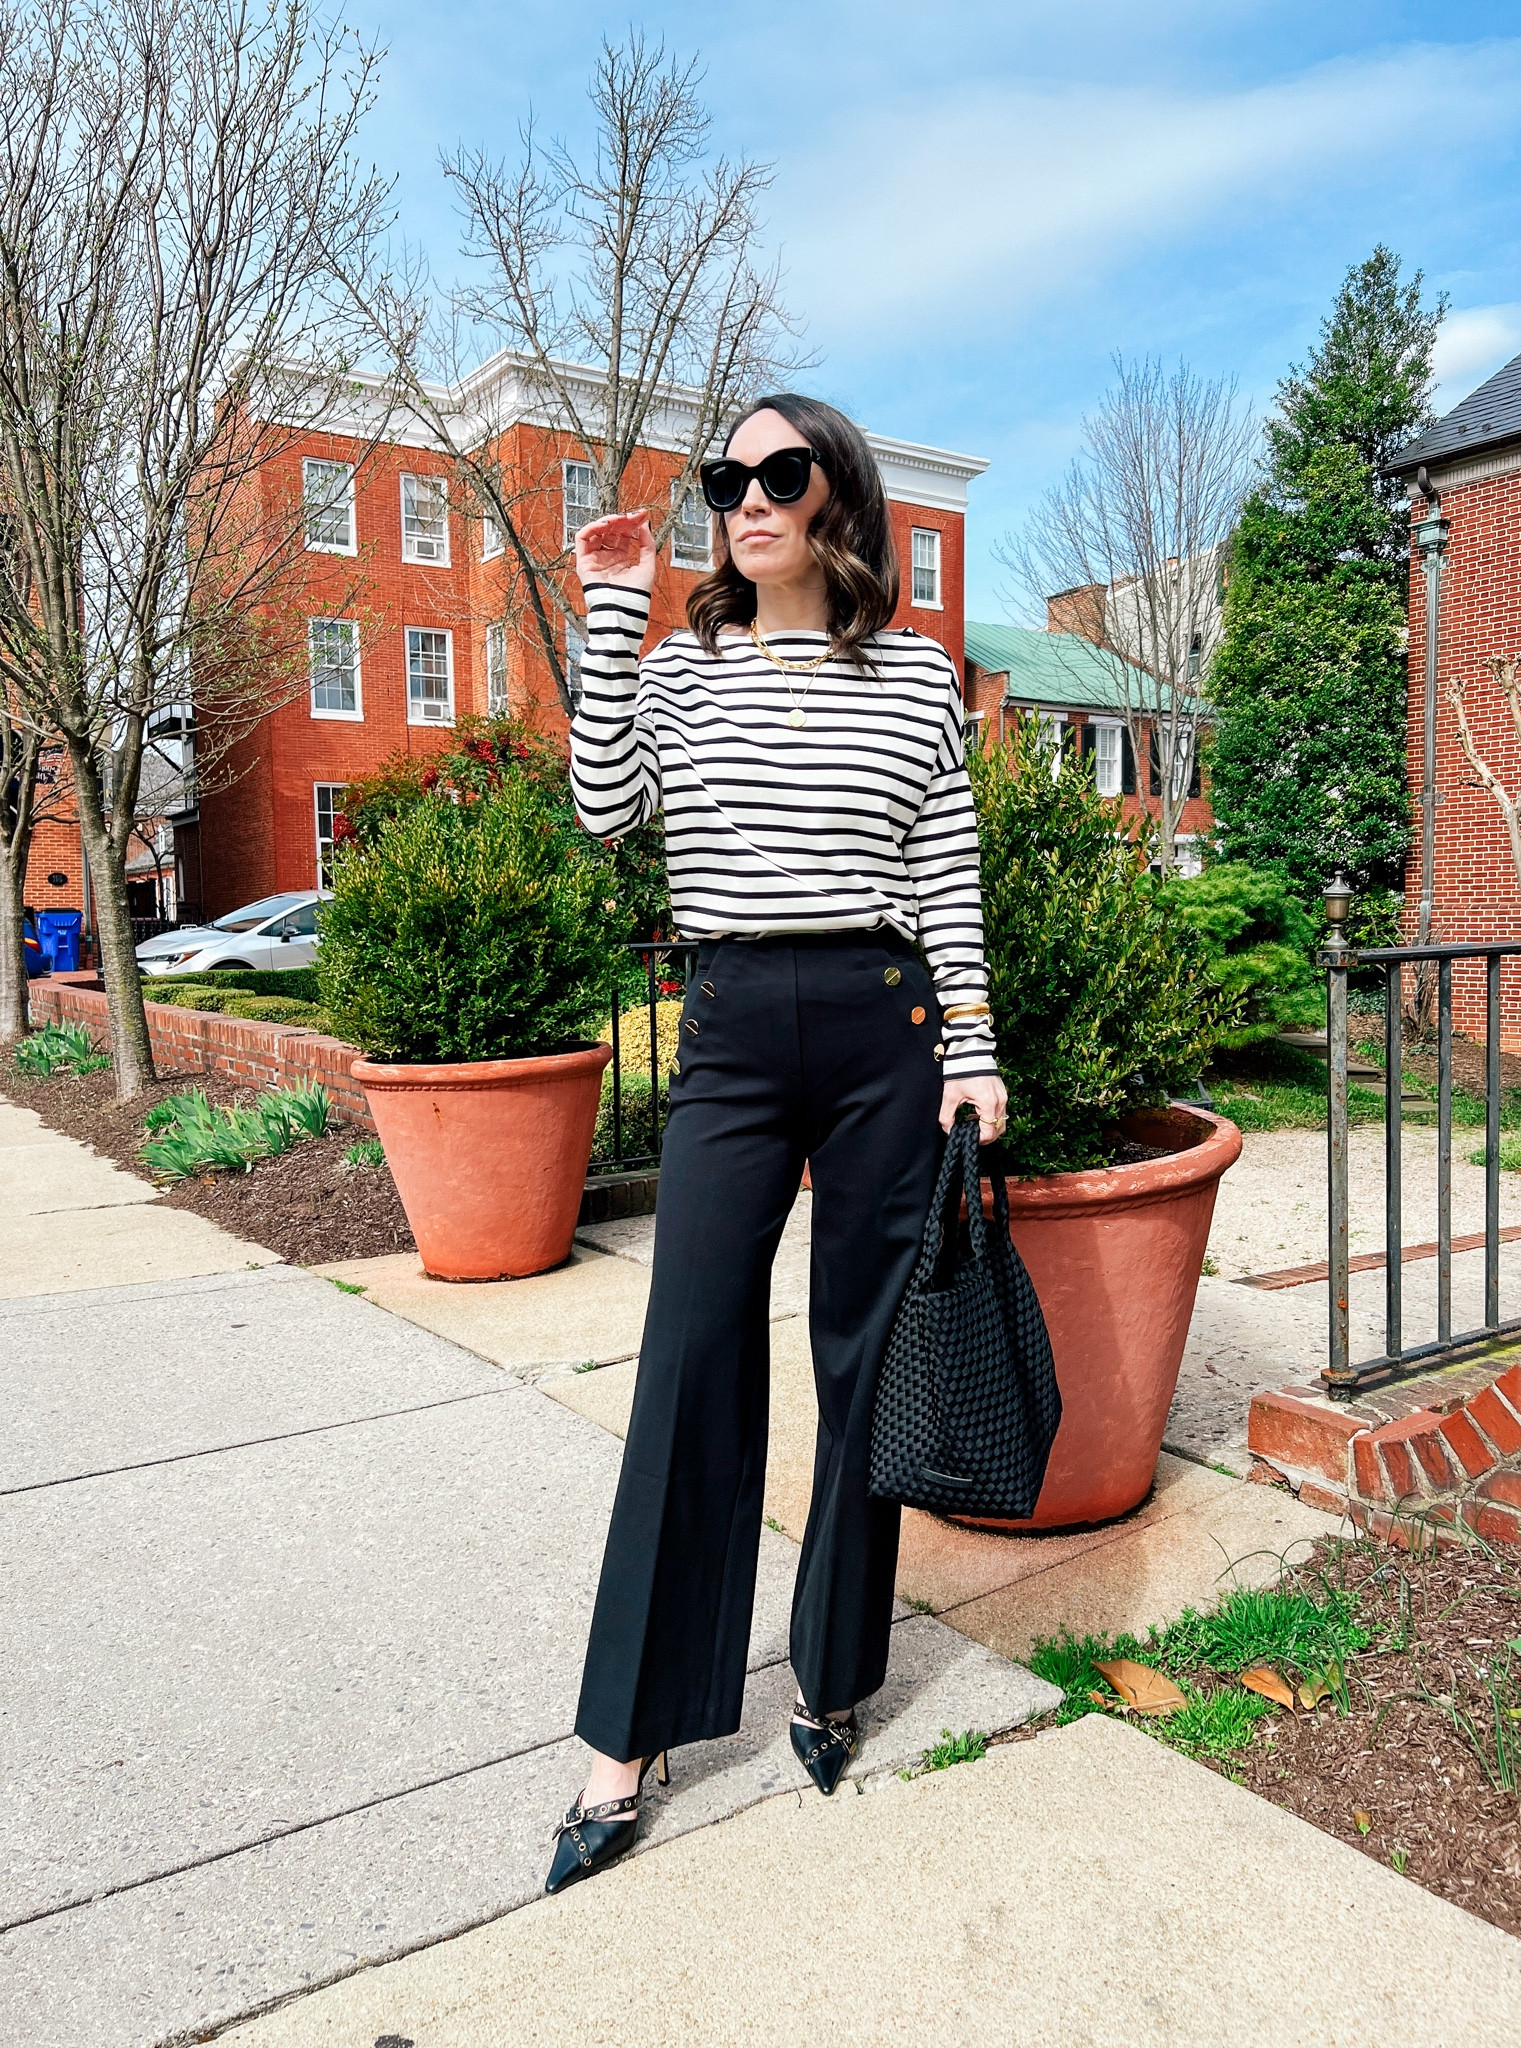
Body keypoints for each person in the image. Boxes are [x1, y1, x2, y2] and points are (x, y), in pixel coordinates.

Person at [550, 394, 1007, 1893]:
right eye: (724, 478)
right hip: (735, 1025)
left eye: (777, 474)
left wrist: (973, 1056)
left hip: (886, 1030)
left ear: (834, 498)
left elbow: (947, 872)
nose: (746, 497)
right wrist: (614, 613)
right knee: (692, 1353)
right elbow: (604, 808)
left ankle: (830, 1675)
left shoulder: (918, 683)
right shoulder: (678, 669)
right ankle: (631, 1728)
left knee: (859, 1361)